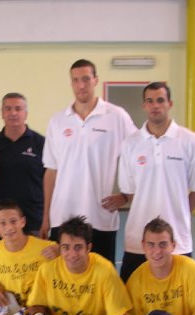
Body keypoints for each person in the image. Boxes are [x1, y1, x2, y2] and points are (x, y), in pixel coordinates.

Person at [40, 59, 137, 264]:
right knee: (63, 277)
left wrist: (126, 196)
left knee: (102, 276)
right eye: (76, 80)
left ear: (95, 80)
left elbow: (138, 154)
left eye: (85, 79)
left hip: (100, 217)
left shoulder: (116, 116)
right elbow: (51, 172)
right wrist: (46, 217)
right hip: (62, 216)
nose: (81, 85)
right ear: (71, 83)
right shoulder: (57, 121)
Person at [118, 82, 195, 282]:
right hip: (138, 240)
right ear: (144, 105)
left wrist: (179, 212)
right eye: (150, 101)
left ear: (170, 104)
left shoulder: (191, 141)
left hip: (177, 240)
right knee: (130, 294)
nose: (155, 105)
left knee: (179, 296)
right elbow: (130, 191)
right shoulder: (130, 144)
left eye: (160, 100)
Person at [0, 93, 45, 244]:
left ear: (26, 113)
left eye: (18, 109)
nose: (13, 113)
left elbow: (51, 183)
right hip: (0, 226)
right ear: (2, 113)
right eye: (8, 109)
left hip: (34, 222)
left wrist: (47, 219)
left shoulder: (42, 144)